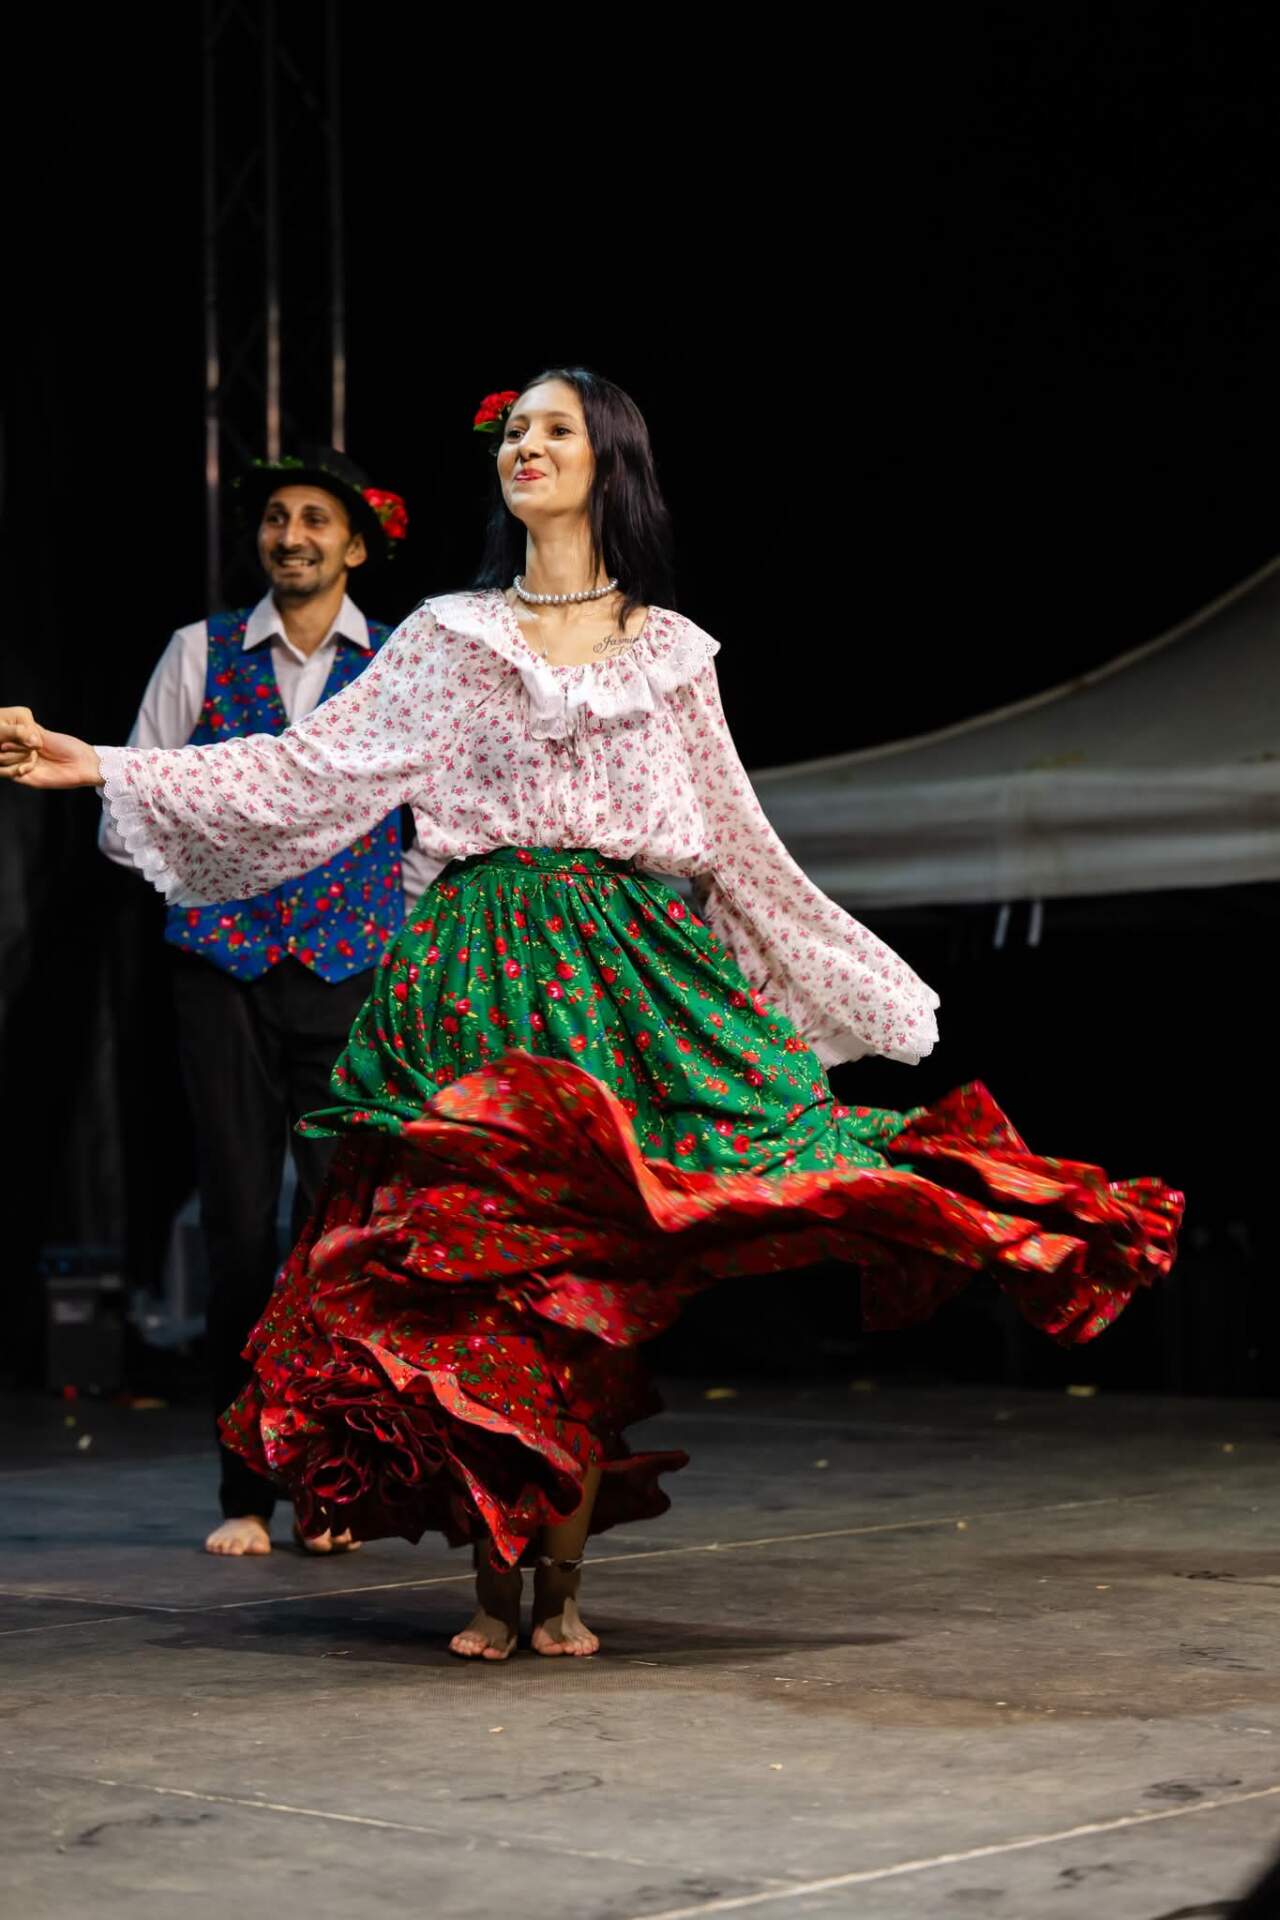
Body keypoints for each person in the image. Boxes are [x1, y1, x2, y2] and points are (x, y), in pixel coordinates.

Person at [0, 369, 1182, 1659]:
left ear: (605, 460)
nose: (526, 446)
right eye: (514, 431)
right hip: (476, 975)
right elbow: (308, 770)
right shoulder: (450, 635)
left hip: (621, 977)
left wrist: (845, 984)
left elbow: (735, 844)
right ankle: (493, 1587)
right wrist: (104, 762)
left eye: (553, 429)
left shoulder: (670, 654)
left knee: (586, 1280)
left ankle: (556, 1585)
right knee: (488, 1277)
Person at [99, 446, 435, 1560]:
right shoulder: (198, 652)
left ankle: (334, 1487)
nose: (290, 536)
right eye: (276, 518)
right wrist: (212, 886)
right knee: (240, 1230)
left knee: (340, 1234)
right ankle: (244, 1491)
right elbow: (129, 802)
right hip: (224, 973)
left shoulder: (397, 664)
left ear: (356, 547)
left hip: (350, 974)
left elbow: (431, 821)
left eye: (314, 520)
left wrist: (391, 929)